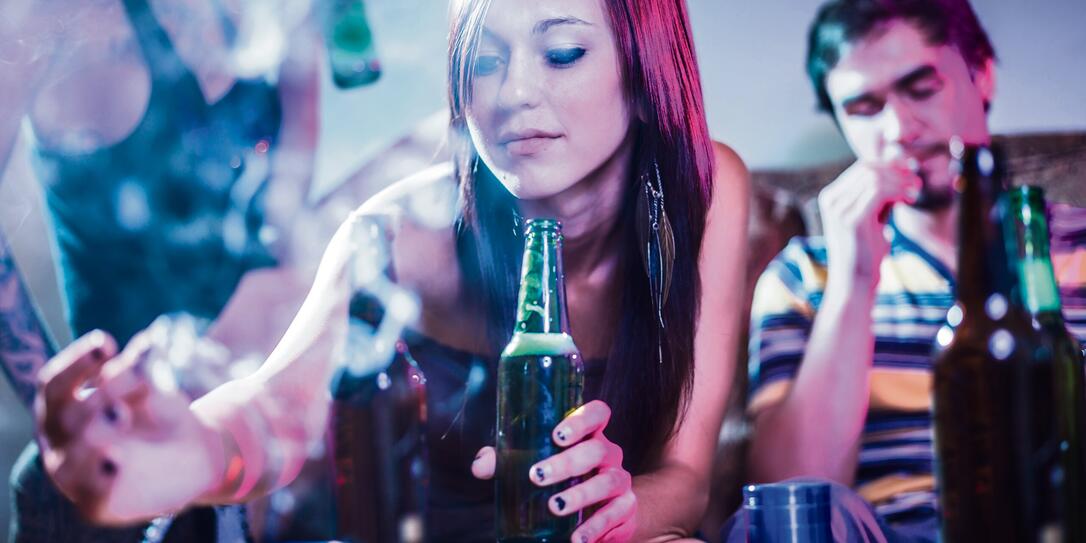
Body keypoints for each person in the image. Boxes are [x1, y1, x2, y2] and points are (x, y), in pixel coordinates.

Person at [30, 0, 751, 541]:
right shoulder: (401, 231)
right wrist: (190, 455)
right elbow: (272, 411)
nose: (512, 94)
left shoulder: (705, 193)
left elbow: (685, 479)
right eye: (485, 60)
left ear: (644, 57)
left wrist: (611, 513)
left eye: (562, 52)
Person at [741, 0, 1086, 540]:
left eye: (922, 88)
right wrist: (854, 283)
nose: (900, 128)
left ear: (982, 75)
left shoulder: (1078, 246)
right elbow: (791, 500)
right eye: (862, 107)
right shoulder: (803, 277)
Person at [0, 0, 344, 540]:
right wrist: (60, 414)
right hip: (117, 466)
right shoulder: (52, 17)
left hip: (256, 416)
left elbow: (295, 154)